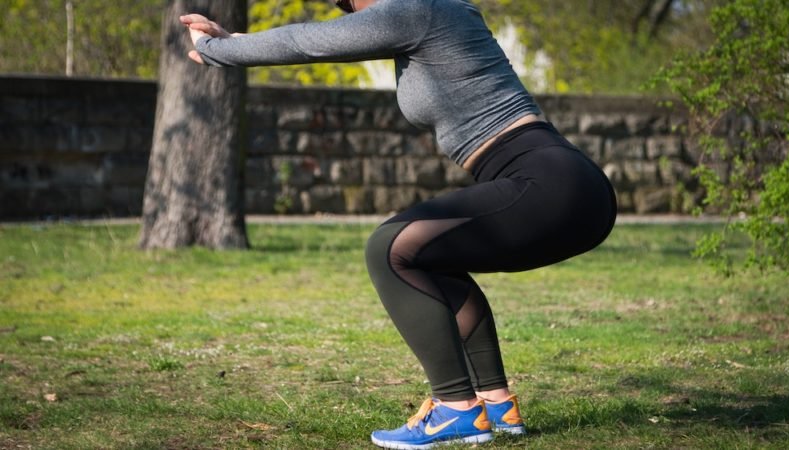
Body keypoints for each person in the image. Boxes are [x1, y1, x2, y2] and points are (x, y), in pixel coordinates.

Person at [182, 0, 617, 447]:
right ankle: (495, 403)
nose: (348, 9)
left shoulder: (418, 10)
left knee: (389, 249)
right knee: (433, 258)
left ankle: (455, 408)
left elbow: (307, 41)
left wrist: (219, 51)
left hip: (548, 182)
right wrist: (231, 40)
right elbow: (317, 42)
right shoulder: (430, 14)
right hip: (570, 186)